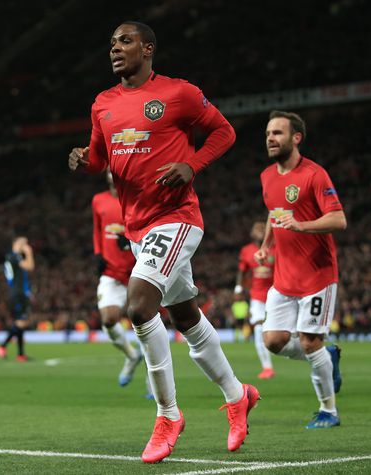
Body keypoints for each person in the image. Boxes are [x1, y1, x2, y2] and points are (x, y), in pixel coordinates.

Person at [68, 21, 259, 463]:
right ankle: (237, 395)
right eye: (112, 42)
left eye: (126, 41)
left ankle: (168, 415)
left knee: (138, 307)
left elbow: (224, 132)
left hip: (175, 219)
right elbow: (101, 159)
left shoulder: (179, 94)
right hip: (138, 227)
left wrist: (192, 165)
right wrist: (83, 159)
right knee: (187, 317)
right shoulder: (103, 103)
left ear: (148, 48)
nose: (115, 48)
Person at [254, 110, 344, 429]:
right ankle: (326, 355)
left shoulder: (314, 175)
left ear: (296, 138)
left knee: (308, 341)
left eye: (277, 133)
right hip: (283, 277)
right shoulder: (267, 177)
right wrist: (266, 245)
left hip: (317, 276)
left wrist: (302, 225)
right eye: (268, 133)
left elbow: (338, 219)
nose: (270, 138)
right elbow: (272, 212)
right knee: (273, 340)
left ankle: (328, 411)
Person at [92, 169, 144, 386]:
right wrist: (97, 253)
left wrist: (131, 241)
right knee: (108, 319)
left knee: (144, 324)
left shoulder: (135, 199)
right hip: (110, 272)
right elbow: (97, 229)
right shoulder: (98, 200)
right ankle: (132, 356)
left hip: (136, 271)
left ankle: (154, 385)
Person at [235, 221, 275, 379]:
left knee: (286, 334)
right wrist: (238, 288)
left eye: (261, 229)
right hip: (257, 295)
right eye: (256, 229)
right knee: (258, 328)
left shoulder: (276, 248)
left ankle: (316, 355)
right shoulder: (247, 251)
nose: (258, 231)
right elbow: (241, 271)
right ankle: (267, 368)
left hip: (276, 294)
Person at [0, 235, 35, 362]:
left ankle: (20, 354)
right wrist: (29, 253)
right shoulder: (15, 256)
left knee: (21, 323)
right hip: (17, 294)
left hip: (18, 293)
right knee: (21, 322)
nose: (25, 246)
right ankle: (2, 346)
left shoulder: (11, 257)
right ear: (16, 244)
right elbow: (30, 266)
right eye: (23, 243)